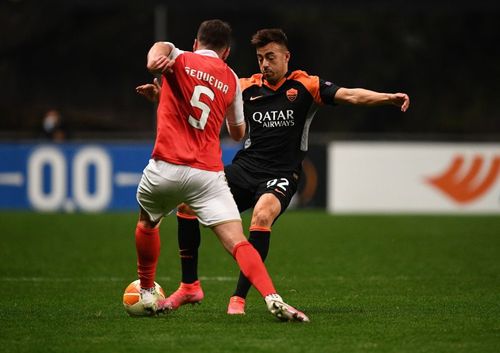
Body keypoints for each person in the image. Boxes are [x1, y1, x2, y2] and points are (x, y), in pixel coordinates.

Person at [137, 28, 410, 315]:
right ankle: (189, 286)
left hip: (281, 172)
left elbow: (351, 95)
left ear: (286, 56)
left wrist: (387, 97)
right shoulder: (244, 86)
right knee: (186, 205)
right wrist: (161, 97)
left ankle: (238, 298)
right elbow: (201, 104)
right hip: (245, 168)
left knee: (262, 214)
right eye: (259, 58)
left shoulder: (306, 85)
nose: (265, 64)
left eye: (270, 57)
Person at [134, 20, 309, 322]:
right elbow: (238, 133)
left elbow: (158, 51)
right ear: (226, 52)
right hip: (206, 175)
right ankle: (272, 297)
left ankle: (147, 290)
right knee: (238, 242)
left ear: (195, 42)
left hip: (166, 167)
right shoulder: (230, 78)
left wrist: (154, 66)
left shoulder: (179, 58)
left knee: (148, 223)